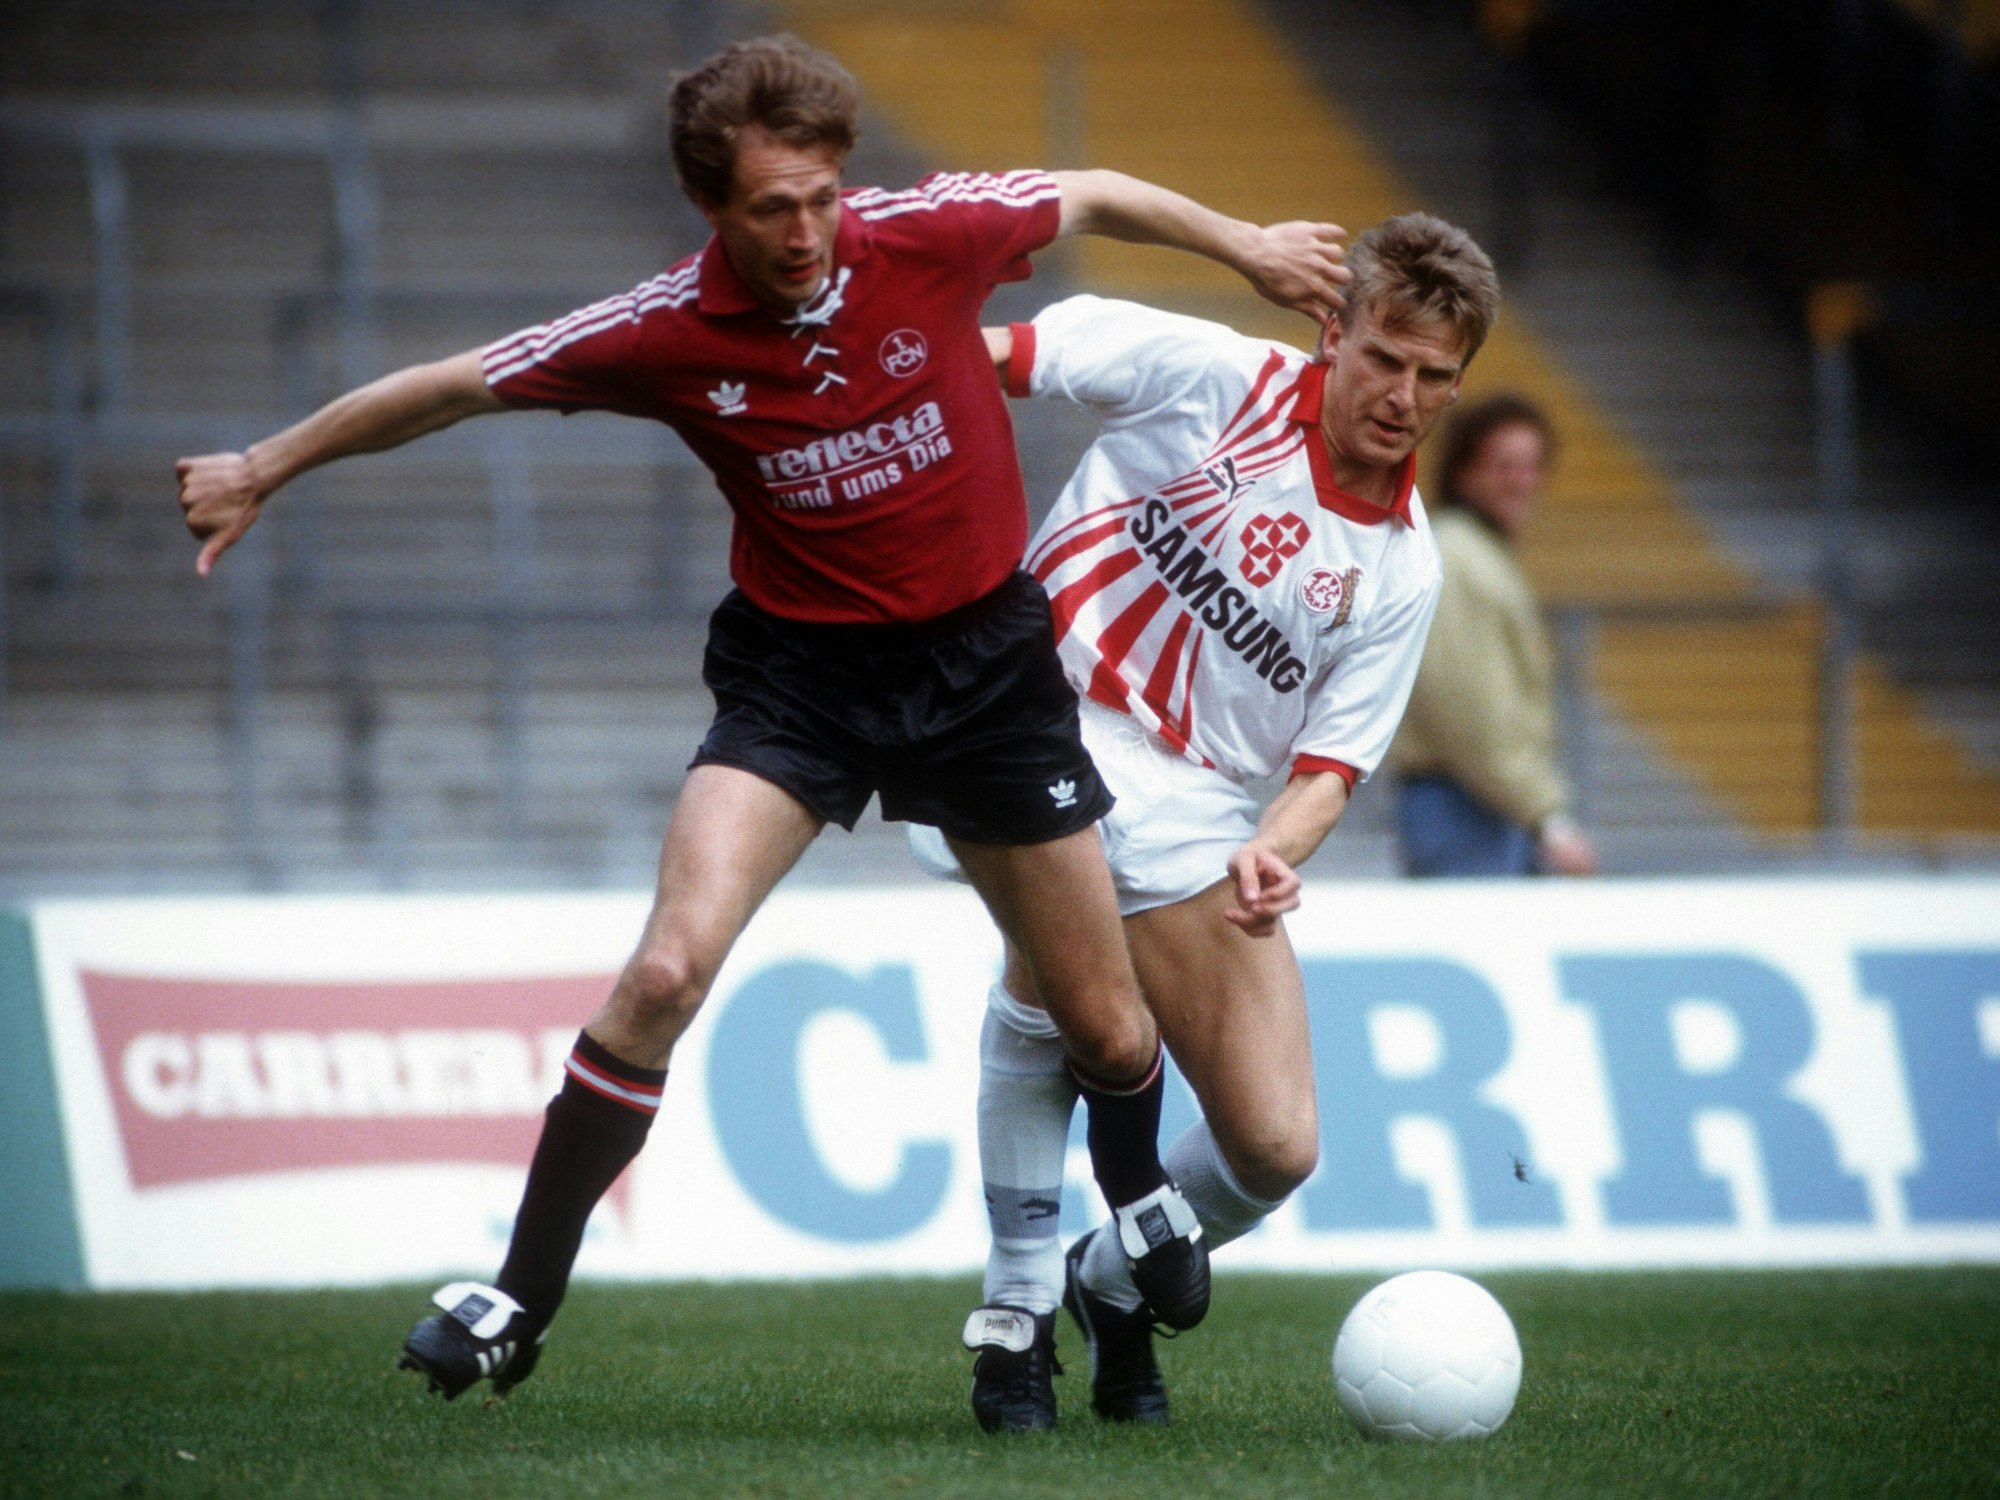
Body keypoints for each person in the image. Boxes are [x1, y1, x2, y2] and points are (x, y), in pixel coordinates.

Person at [172, 35, 1351, 1401]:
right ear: (711, 208)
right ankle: (516, 1296)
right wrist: (263, 465)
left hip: (983, 677)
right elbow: (458, 384)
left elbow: (1086, 189)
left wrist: (1247, 246)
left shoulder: (923, 234)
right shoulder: (664, 328)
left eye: (820, 199)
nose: (805, 233)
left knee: (1101, 1024)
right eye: (769, 209)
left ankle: (1135, 1207)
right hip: (799, 682)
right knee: (665, 971)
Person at [915, 212, 1500, 1431]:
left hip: (1194, 808)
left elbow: (1332, 767)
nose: (1400, 394)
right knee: (1052, 984)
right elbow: (992, 358)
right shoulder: (1209, 375)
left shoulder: (1403, 570)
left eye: (1432, 375)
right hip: (1036, 713)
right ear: (1331, 330)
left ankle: (1107, 1280)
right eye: (1382, 357)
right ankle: (1013, 1314)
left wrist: (1271, 852)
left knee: (1275, 1144)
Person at [1387, 392, 1598, 876]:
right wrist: (1546, 814)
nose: (1523, 482)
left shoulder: (1475, 553)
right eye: (1505, 466)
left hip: (1479, 797)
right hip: (1466, 803)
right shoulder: (1460, 558)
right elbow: (1469, 710)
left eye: (1533, 466)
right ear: (1464, 471)